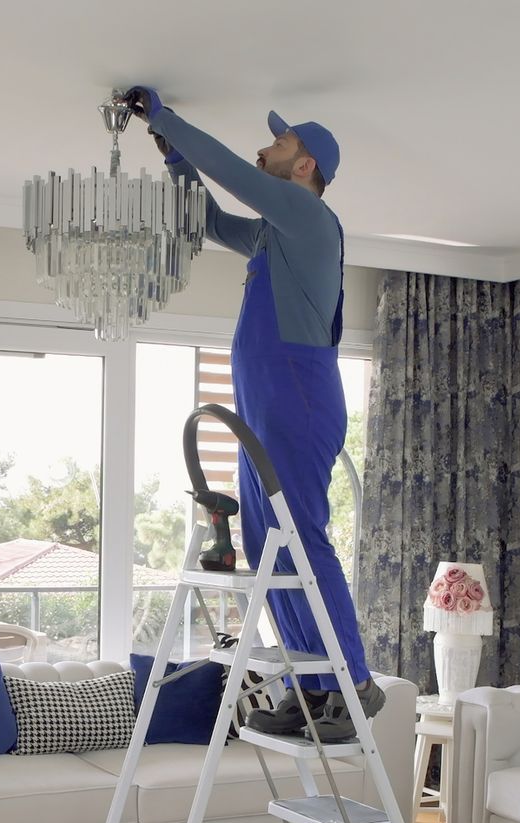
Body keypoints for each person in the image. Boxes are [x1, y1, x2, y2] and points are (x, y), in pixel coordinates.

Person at [127, 86, 382, 740]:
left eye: (280, 143)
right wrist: (175, 161)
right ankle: (310, 684)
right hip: (264, 408)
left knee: (302, 537)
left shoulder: (308, 218)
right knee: (267, 545)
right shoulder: (275, 235)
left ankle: (353, 682)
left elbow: (235, 175)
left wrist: (169, 123)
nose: (264, 150)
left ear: (305, 169)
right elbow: (209, 222)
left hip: (297, 396)